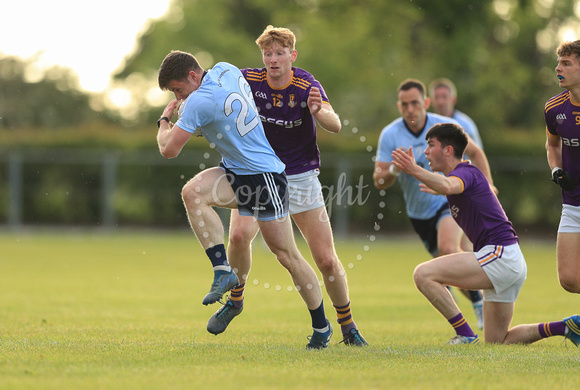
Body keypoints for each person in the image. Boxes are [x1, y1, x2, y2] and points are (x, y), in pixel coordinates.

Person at [156, 50, 333, 349]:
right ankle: (222, 271)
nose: (178, 94)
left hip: (264, 177)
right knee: (193, 193)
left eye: (177, 89)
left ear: (192, 76)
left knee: (287, 255)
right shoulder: (225, 69)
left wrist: (164, 120)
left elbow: (168, 150)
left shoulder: (196, 102)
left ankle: (322, 326)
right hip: (236, 171)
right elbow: (230, 108)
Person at [206, 25, 367, 346]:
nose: (273, 59)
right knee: (238, 236)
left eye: (280, 53)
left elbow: (334, 124)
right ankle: (235, 300)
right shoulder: (248, 80)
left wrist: (318, 111)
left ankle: (348, 326)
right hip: (257, 175)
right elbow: (214, 87)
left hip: (300, 177)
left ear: (292, 56)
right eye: (268, 53)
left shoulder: (307, 84)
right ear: (262, 56)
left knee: (326, 259)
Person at [391, 122, 580, 345]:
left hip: (500, 256)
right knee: (499, 341)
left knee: (422, 274)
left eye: (430, 145)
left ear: (448, 150)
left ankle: (465, 334)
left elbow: (450, 186)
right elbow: (451, 188)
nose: (425, 151)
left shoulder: (466, 171)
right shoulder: (461, 177)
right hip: (509, 259)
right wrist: (438, 185)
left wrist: (414, 170)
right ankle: (566, 326)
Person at [373, 79, 495, 330]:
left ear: (425, 103)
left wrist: (488, 186)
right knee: (449, 268)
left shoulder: (445, 126)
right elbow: (379, 180)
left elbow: (477, 153)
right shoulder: (391, 134)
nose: (410, 109)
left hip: (449, 199)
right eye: (404, 105)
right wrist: (396, 168)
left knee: (448, 247)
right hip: (419, 214)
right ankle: (479, 302)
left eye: (415, 103)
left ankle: (484, 302)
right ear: (399, 106)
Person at [545, 40, 580, 294]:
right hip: (572, 201)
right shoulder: (554, 107)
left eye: (566, 63)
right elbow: (552, 145)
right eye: (558, 63)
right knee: (568, 279)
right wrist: (556, 170)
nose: (558, 68)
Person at [428, 78, 483, 148]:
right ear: (431, 101)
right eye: (436, 97)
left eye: (444, 97)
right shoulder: (427, 124)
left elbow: (476, 155)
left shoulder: (465, 125)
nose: (440, 102)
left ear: (453, 99)